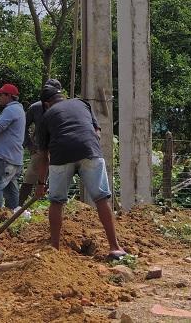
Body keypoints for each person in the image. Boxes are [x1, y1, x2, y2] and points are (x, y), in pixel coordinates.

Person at [35, 82, 125, 257]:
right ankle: (115, 247)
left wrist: (40, 183)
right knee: (101, 199)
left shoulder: (45, 117)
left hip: (61, 156)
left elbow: (44, 156)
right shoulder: (82, 103)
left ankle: (54, 249)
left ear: (46, 104)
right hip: (89, 150)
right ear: (62, 97)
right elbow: (97, 133)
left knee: (56, 201)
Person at [19, 78, 61, 207]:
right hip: (40, 148)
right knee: (30, 178)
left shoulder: (63, 107)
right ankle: (19, 206)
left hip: (58, 148)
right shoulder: (36, 107)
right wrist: (29, 145)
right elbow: (23, 127)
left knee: (57, 178)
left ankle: (52, 205)